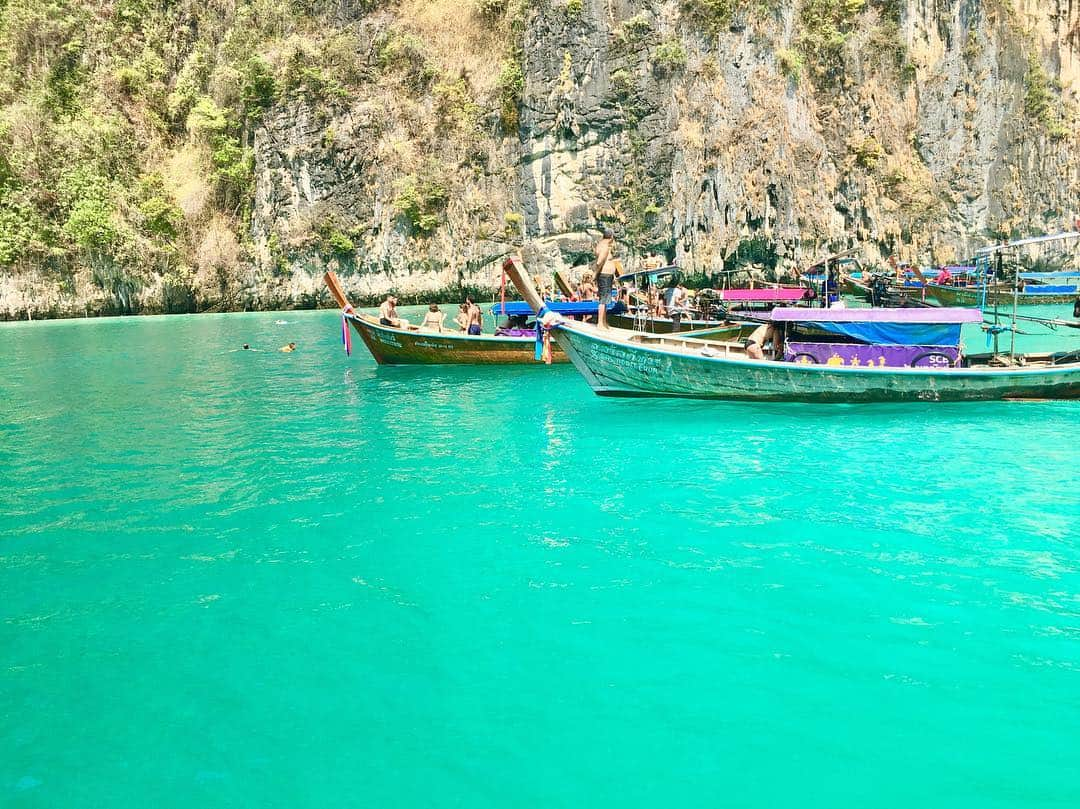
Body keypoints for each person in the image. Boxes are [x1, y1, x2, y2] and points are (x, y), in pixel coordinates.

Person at [594, 229, 617, 329]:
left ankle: (604, 322)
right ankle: (600, 323)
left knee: (605, 299)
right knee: (603, 299)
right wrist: (595, 273)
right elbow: (600, 262)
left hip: (606, 275)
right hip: (605, 275)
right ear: (611, 237)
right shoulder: (605, 247)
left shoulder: (600, 245)